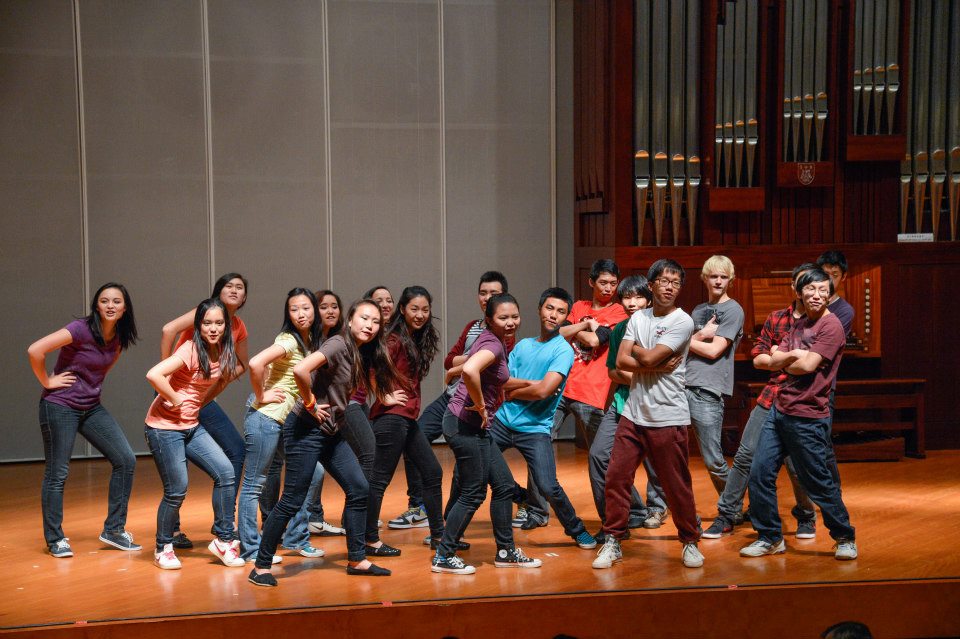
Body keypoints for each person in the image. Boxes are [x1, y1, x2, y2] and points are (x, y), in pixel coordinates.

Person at [248, 299, 398, 586]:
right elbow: (300, 370)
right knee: (292, 500)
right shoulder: (339, 344)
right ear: (350, 320)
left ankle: (357, 559)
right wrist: (310, 403)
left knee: (359, 488)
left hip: (331, 430)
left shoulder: (360, 351)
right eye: (364, 318)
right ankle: (261, 566)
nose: (370, 325)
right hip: (306, 429)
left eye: (376, 322)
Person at [593, 259, 704, 570]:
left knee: (675, 483)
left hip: (667, 415)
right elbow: (624, 361)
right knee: (616, 477)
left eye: (675, 282)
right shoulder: (638, 318)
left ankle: (690, 540)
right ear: (652, 284)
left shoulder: (683, 322)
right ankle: (613, 538)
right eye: (663, 281)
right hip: (633, 412)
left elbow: (641, 355)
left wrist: (645, 355)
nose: (669, 287)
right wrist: (653, 361)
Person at [741, 268, 858, 561]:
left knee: (817, 480)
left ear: (830, 295)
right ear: (799, 292)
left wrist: (785, 358)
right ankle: (769, 537)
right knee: (759, 473)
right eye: (811, 289)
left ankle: (844, 536)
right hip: (779, 408)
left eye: (822, 290)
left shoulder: (831, 327)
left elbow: (805, 366)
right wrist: (791, 357)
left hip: (808, 415)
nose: (816, 295)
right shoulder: (800, 323)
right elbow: (776, 358)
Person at [702, 263, 818, 539]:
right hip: (771, 396)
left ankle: (806, 515)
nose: (808, 292)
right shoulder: (777, 318)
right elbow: (759, 358)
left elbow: (811, 366)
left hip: (803, 400)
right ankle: (727, 515)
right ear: (794, 287)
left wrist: (780, 356)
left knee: (796, 462)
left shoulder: (822, 322)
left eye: (813, 286)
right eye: (803, 285)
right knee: (744, 456)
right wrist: (788, 357)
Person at [389, 271, 511, 530]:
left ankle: (450, 524)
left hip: (475, 402)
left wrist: (472, 359)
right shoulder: (473, 327)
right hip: (451, 397)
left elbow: (487, 370)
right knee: (415, 438)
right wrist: (473, 359)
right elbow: (449, 361)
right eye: (483, 292)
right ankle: (418, 506)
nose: (487, 297)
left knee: (473, 473)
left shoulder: (505, 333)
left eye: (495, 293)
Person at [28, 282, 140, 558]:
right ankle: (55, 539)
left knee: (126, 460)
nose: (110, 306)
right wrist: (47, 380)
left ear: (125, 308)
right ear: (96, 305)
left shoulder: (118, 336)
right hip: (59, 406)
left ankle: (114, 530)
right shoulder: (80, 328)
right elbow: (35, 350)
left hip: (90, 407)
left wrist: (90, 386)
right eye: (104, 301)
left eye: (116, 301)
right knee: (58, 473)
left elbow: (108, 362)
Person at [433, 293, 541, 574]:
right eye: (503, 318)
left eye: (514, 316)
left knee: (504, 486)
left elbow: (468, 368)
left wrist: (531, 382)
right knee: (473, 492)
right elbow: (471, 369)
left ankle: (505, 551)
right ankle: (444, 555)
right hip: (465, 425)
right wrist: (480, 405)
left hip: (469, 425)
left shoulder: (491, 341)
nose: (510, 322)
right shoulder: (493, 343)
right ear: (489, 320)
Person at [518, 259, 628, 530]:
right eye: (603, 282)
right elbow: (557, 332)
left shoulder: (618, 313)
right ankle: (537, 511)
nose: (608, 288)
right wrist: (583, 326)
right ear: (591, 282)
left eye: (613, 283)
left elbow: (595, 341)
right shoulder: (578, 307)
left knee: (604, 458)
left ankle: (627, 511)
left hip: (593, 393)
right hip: (560, 387)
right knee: (538, 443)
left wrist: (579, 330)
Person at [491, 287, 597, 551]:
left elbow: (543, 390)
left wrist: (512, 394)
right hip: (502, 423)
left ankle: (577, 529)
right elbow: (503, 383)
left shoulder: (562, 350)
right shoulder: (523, 345)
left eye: (561, 312)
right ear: (539, 310)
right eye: (549, 308)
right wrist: (514, 392)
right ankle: (450, 531)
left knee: (548, 485)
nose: (554, 315)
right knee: (472, 471)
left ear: (566, 317)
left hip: (534, 429)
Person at [145, 298, 245, 570]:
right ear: (198, 326)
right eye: (207, 323)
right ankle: (163, 547)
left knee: (226, 473)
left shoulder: (224, 350)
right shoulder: (190, 349)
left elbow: (219, 381)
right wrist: (176, 399)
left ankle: (224, 541)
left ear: (227, 326)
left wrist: (198, 403)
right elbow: (154, 374)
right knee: (177, 490)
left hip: (191, 426)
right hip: (164, 429)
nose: (213, 328)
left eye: (219, 323)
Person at [237, 288, 326, 563]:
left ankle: (295, 538)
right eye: (294, 309)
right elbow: (255, 363)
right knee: (253, 485)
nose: (301, 314)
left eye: (306, 308)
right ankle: (251, 549)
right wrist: (262, 395)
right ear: (288, 314)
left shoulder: (309, 341)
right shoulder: (288, 340)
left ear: (315, 310)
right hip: (266, 419)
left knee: (311, 473)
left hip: (285, 421)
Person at [364, 286, 445, 557]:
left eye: (425, 309)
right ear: (402, 310)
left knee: (432, 473)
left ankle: (439, 537)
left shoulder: (412, 338)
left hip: (407, 419)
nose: (420, 314)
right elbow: (369, 367)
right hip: (391, 419)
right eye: (414, 309)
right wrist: (383, 395)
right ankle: (369, 540)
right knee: (379, 480)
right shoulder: (395, 339)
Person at [590, 275, 668, 538]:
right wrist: (638, 377)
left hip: (656, 404)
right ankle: (615, 521)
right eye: (626, 297)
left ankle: (666, 511)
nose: (632, 303)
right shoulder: (619, 330)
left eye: (638, 297)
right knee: (599, 456)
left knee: (661, 463)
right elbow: (613, 371)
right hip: (623, 403)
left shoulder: (662, 326)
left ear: (648, 298)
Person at [684, 255, 744, 497]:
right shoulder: (699, 310)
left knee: (712, 459)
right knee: (668, 453)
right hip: (680, 385)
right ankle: (659, 507)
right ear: (704, 278)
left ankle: (733, 505)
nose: (718, 281)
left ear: (730, 280)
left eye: (723, 277)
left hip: (706, 390)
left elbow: (713, 351)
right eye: (713, 276)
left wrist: (684, 342)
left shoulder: (733, 309)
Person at [302, 290, 347, 536]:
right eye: (323, 306)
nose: (330, 311)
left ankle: (314, 519)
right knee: (275, 473)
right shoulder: (308, 340)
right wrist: (309, 404)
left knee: (316, 470)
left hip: (320, 415)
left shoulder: (339, 340)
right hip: (293, 411)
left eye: (334, 306)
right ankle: (286, 526)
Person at [816, 250, 855, 338]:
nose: (829, 279)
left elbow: (828, 343)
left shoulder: (845, 311)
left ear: (843, 277)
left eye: (835, 275)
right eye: (825, 274)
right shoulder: (808, 301)